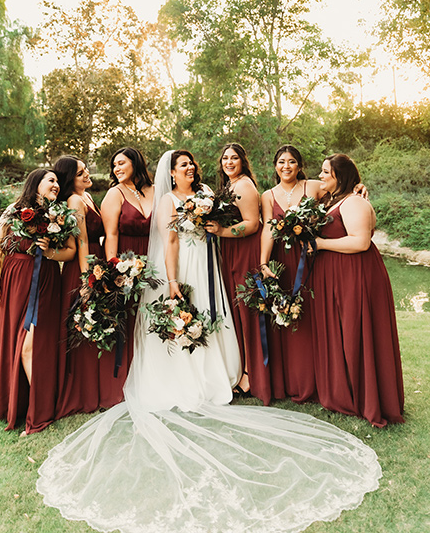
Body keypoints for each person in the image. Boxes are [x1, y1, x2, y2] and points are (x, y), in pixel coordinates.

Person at [37, 150, 382, 533]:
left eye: (190, 164)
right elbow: (169, 243)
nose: (189, 167)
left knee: (213, 320)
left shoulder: (205, 192)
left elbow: (253, 218)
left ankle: (220, 373)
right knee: (183, 317)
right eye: (182, 165)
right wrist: (170, 283)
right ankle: (183, 375)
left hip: (207, 263)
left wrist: (358, 189)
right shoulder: (168, 200)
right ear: (173, 172)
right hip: (183, 263)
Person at [309, 153, 404, 427]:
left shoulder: (353, 204)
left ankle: (368, 398)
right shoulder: (336, 200)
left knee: (356, 332)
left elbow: (361, 242)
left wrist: (321, 244)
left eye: (326, 172)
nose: (321, 176)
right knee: (346, 333)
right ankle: (348, 393)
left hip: (355, 275)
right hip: (340, 274)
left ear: (340, 176)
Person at [0, 169, 76, 435]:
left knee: (30, 345)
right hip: (14, 280)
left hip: (45, 282)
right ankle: (21, 405)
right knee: (15, 341)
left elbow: (70, 252)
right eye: (51, 180)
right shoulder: (13, 209)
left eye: (58, 181)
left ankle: (40, 411)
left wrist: (50, 251)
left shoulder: (59, 214)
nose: (57, 185)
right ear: (35, 183)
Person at [54, 155, 123, 418]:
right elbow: (82, 241)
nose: (86, 174)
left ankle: (103, 386)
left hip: (96, 263)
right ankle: (85, 391)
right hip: (83, 268)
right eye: (80, 172)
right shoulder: (73, 200)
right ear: (70, 178)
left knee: (99, 322)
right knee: (86, 323)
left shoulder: (86, 197)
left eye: (85, 170)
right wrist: (87, 280)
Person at [260, 145, 323, 402]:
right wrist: (264, 263)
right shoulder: (267, 195)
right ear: (275, 166)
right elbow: (267, 229)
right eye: (281, 162)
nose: (286, 166)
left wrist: (360, 189)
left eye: (292, 162)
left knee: (312, 316)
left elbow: (343, 188)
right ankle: (290, 381)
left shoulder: (314, 187)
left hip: (310, 258)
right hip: (281, 260)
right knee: (285, 316)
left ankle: (316, 380)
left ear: (299, 166)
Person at [205, 143, 267, 402]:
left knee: (248, 310)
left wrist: (222, 232)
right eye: (225, 158)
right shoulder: (229, 186)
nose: (229, 162)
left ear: (243, 161)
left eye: (234, 158)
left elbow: (252, 224)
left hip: (245, 250)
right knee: (237, 311)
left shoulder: (243, 185)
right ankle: (242, 368)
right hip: (231, 250)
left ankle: (252, 375)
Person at [100, 146, 153, 259]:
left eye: (121, 163)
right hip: (127, 262)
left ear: (135, 164)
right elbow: (111, 235)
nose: (116, 169)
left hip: (156, 258)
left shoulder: (156, 190)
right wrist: (113, 266)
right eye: (114, 165)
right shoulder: (115, 194)